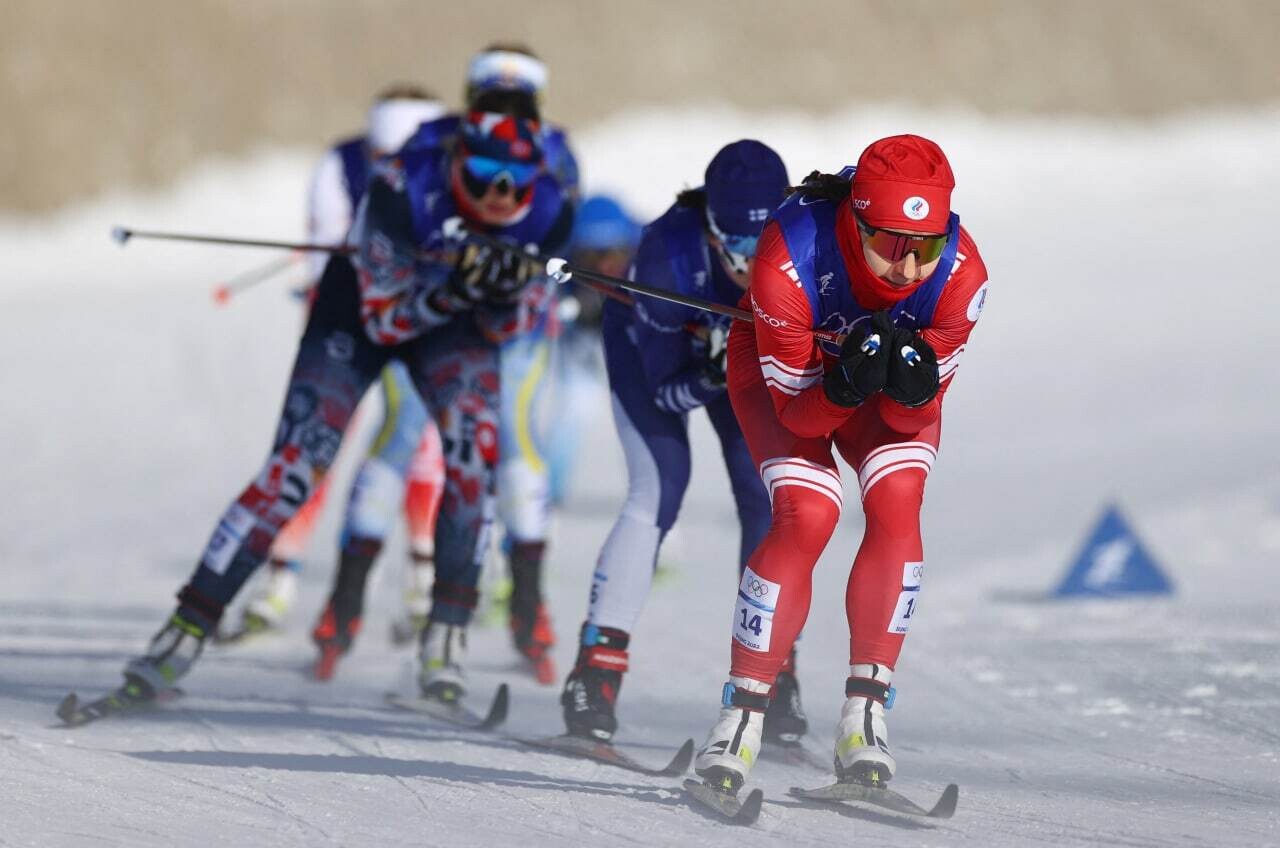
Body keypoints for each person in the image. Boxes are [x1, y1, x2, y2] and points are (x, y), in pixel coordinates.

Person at [119, 88, 573, 707]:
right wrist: (458, 288)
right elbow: (386, 320)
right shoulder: (400, 184)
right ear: (456, 162)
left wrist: (500, 296)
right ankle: (183, 630)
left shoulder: (549, 209)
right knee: (295, 468)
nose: (499, 195)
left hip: (451, 326)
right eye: (483, 177)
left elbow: (507, 332)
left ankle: (445, 642)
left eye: (513, 184)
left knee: (471, 463)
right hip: (356, 314)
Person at [693, 134, 990, 795]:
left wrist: (909, 388)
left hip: (867, 391)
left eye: (926, 247)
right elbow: (799, 417)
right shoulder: (790, 256)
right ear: (854, 225)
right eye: (889, 245)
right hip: (792, 383)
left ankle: (865, 716)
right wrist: (842, 385)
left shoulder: (963, 276)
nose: (908, 269)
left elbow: (912, 419)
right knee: (809, 514)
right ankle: (739, 721)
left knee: (898, 500)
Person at [309, 43, 580, 683]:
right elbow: (393, 212)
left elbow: (556, 237)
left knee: (515, 457)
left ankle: (526, 612)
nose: (505, 108)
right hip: (433, 321)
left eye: (519, 100)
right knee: (401, 439)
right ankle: (342, 611)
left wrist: (523, 283)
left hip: (514, 329)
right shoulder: (433, 140)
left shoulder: (559, 150)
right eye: (492, 96)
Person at [560, 141, 809, 746]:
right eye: (739, 248)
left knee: (767, 497)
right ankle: (595, 673)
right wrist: (709, 371)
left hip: (736, 361)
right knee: (659, 487)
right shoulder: (667, 257)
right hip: (662, 362)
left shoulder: (808, 245)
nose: (753, 263)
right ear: (713, 228)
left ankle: (776, 673)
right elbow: (665, 390)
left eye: (765, 245)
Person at [232, 84, 446, 640]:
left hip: (414, 320)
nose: (389, 166)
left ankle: (422, 582)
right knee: (314, 446)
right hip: (348, 315)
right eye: (381, 154)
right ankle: (277, 582)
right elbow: (325, 237)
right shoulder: (339, 162)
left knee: (419, 442)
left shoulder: (447, 163)